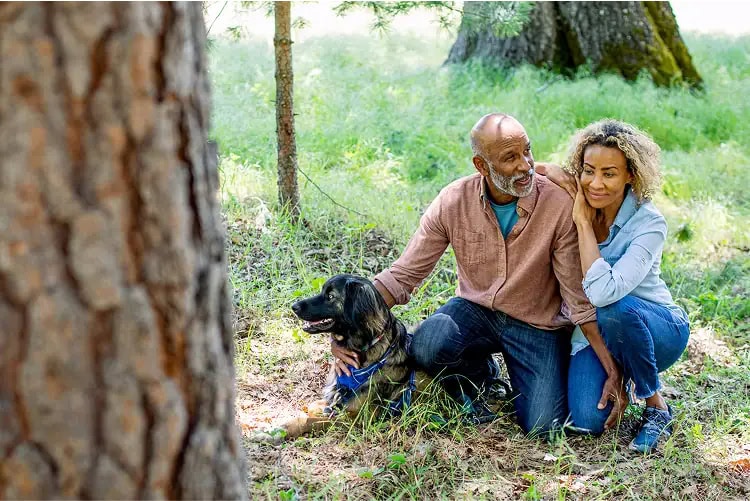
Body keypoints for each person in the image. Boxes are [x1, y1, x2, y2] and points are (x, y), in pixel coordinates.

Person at [331, 113, 617, 437]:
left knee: (543, 427)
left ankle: (535, 370)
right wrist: (343, 330)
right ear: (481, 165)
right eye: (510, 158)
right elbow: (403, 274)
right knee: (428, 344)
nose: (525, 164)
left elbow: (577, 298)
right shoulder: (454, 200)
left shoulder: (557, 204)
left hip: (537, 323)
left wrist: (610, 366)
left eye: (527, 151)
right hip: (475, 310)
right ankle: (480, 375)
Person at [563, 119, 690, 453]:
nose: (596, 183)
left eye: (610, 173)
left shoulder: (649, 223)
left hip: (657, 328)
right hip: (603, 334)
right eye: (588, 171)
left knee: (615, 308)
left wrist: (584, 227)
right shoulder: (575, 199)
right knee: (588, 420)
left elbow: (605, 293)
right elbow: (542, 172)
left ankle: (656, 406)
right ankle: (620, 371)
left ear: (630, 174)